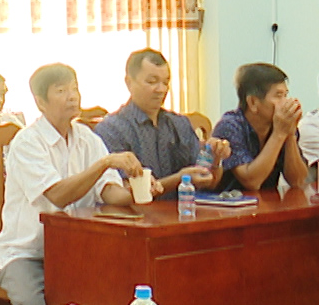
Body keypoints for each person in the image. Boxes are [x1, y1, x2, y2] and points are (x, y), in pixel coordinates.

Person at [0, 64, 143, 305]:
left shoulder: (87, 138)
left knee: (110, 293)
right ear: (40, 102)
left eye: (75, 89)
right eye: (61, 91)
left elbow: (109, 192)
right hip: (27, 253)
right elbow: (58, 195)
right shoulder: (27, 142)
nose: (72, 96)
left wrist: (137, 191)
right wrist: (104, 163)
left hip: (75, 249)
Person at [92, 49, 230, 195]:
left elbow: (208, 183)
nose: (161, 89)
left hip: (184, 207)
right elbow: (124, 192)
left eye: (166, 82)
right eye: (152, 82)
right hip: (135, 210)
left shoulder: (179, 124)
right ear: (129, 83)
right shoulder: (111, 129)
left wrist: (215, 159)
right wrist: (178, 179)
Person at [212, 63, 310, 192]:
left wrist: (290, 135)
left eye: (285, 95)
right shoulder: (230, 126)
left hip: (266, 202)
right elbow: (252, 182)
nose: (285, 103)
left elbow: (298, 181)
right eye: (278, 96)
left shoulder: (281, 124)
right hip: (227, 202)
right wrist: (279, 134)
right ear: (253, 102)